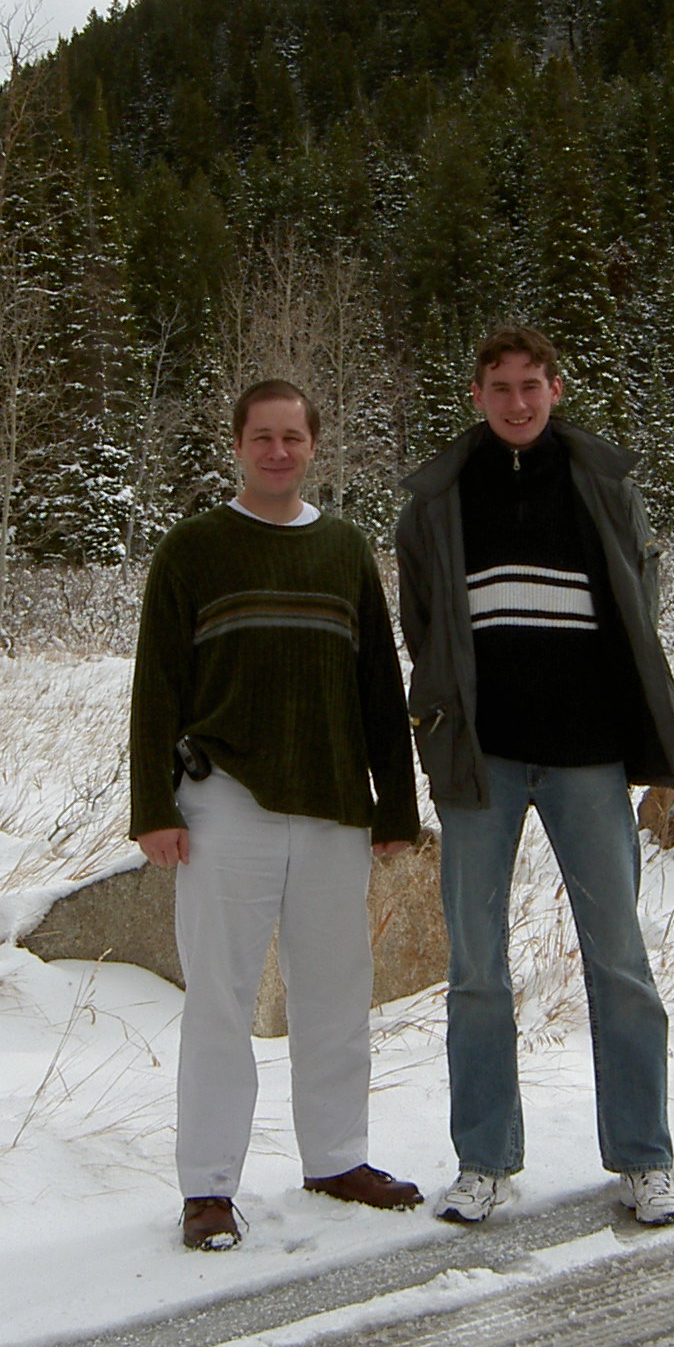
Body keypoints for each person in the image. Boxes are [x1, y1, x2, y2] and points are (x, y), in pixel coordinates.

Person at [395, 326, 674, 1227]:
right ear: (476, 397)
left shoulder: (604, 484)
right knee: (476, 969)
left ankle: (643, 1159)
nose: (516, 402)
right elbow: (423, 624)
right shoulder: (439, 499)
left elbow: (638, 605)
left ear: (556, 389)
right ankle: (484, 1162)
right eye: (500, 387)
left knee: (620, 963)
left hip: (587, 757)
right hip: (480, 761)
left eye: (531, 385)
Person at [130, 379, 424, 1251]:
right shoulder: (193, 549)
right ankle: (208, 1186)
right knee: (220, 997)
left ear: (313, 446)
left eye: (292, 437)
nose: (278, 451)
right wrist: (153, 806)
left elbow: (378, 685)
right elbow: (157, 686)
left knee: (336, 990)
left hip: (334, 802)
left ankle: (336, 1158)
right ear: (237, 445)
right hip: (226, 800)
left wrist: (395, 804)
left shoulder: (343, 550)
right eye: (262, 436)